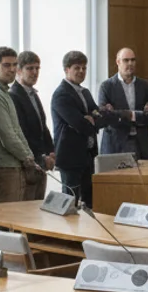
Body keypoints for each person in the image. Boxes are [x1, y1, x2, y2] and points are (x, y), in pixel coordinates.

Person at [51, 51, 120, 208]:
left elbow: (102, 118)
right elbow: (80, 125)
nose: (81, 71)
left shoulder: (85, 92)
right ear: (66, 69)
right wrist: (90, 118)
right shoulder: (61, 94)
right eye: (77, 68)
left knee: (91, 201)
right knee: (70, 203)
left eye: (84, 68)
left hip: (88, 155)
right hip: (71, 157)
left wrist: (92, 118)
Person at [0, 47, 36, 203]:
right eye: (6, 65)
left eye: (14, 65)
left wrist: (29, 156)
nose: (12, 69)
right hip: (4, 167)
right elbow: (8, 136)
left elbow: (16, 130)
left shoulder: (3, 92)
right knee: (8, 215)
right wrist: (27, 158)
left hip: (11, 164)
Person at [10, 51, 56, 201]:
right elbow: (22, 132)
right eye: (30, 68)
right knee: (28, 208)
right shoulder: (13, 95)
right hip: (28, 164)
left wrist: (51, 151)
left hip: (41, 163)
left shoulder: (33, 94)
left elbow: (42, 126)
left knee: (38, 206)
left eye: (37, 68)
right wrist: (42, 157)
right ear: (18, 70)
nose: (35, 72)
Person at [98, 47, 148, 160]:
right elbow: (105, 117)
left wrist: (118, 113)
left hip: (141, 144)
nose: (130, 63)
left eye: (133, 60)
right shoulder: (107, 86)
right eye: (126, 60)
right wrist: (137, 115)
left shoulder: (144, 85)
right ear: (118, 62)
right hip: (116, 145)